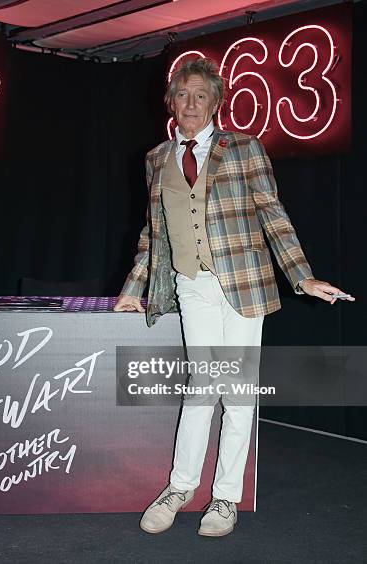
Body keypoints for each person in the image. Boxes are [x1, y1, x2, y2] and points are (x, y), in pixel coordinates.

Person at [114, 57, 354, 537]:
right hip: (191, 284)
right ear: (171, 102)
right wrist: (132, 287)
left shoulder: (244, 148)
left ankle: (224, 498)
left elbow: (273, 214)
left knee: (238, 395)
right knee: (201, 390)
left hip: (244, 282)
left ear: (216, 103)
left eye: (201, 95)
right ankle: (180, 487)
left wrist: (301, 276)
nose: (191, 104)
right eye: (183, 95)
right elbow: (153, 230)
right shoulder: (157, 158)